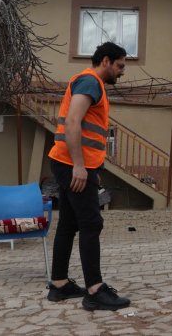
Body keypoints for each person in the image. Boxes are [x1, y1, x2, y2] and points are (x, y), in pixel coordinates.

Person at [46, 42, 131, 311]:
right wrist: (80, 166)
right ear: (106, 61)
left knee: (70, 223)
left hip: (68, 162)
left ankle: (59, 284)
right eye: (120, 66)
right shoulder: (90, 82)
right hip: (73, 164)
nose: (122, 72)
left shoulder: (90, 83)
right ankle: (95, 291)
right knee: (91, 223)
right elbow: (73, 122)